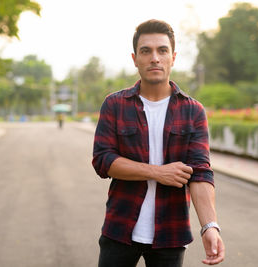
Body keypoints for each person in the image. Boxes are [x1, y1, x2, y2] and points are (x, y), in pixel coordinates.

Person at [92, 19, 225, 267]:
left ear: (173, 57)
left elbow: (200, 172)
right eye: (146, 51)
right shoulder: (115, 105)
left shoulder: (193, 111)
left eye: (162, 50)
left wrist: (210, 227)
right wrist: (157, 172)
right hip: (119, 229)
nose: (155, 58)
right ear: (135, 59)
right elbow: (103, 161)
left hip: (170, 234)